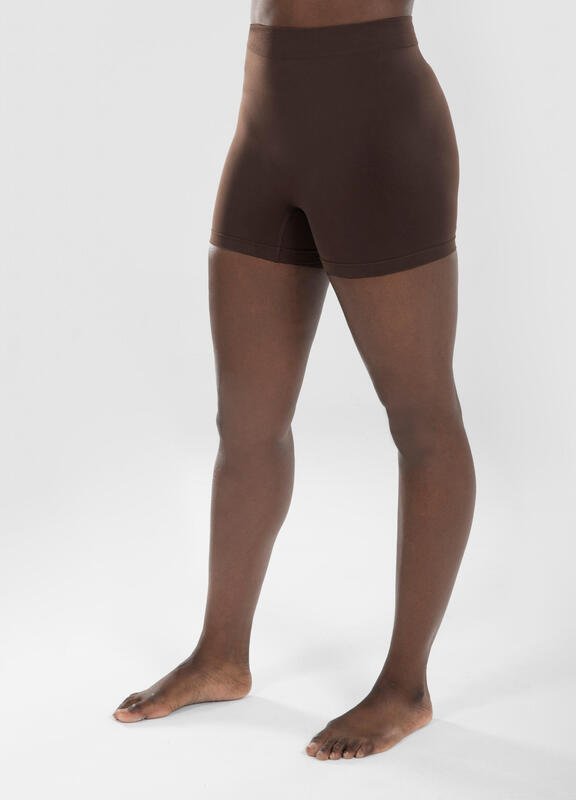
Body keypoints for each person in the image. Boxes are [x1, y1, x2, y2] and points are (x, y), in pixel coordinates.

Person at [113, 0, 476, 761]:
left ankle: (405, 688)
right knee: (246, 425)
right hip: (265, 123)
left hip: (380, 128)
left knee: (421, 419)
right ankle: (221, 655)